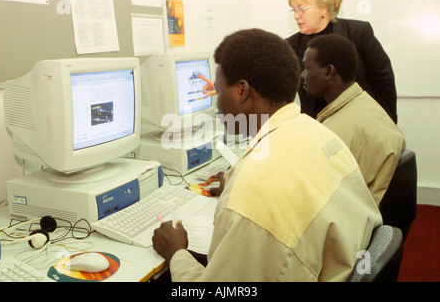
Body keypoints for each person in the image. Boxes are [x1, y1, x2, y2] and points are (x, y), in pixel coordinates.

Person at [151, 28, 382, 282]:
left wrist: (177, 253)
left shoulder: (251, 194)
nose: (217, 103)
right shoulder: (318, 132)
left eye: (218, 89)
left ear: (242, 91)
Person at [302, 34, 406, 206]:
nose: (302, 75)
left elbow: (316, 197)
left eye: (307, 68)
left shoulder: (337, 132)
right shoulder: (365, 105)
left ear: (328, 71)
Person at [286, 0, 398, 124]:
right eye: (294, 10)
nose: (296, 16)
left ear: (324, 8)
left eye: (301, 9)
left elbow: (384, 79)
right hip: (318, 128)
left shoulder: (358, 32)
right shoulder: (290, 45)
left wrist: (389, 120)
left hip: (364, 123)